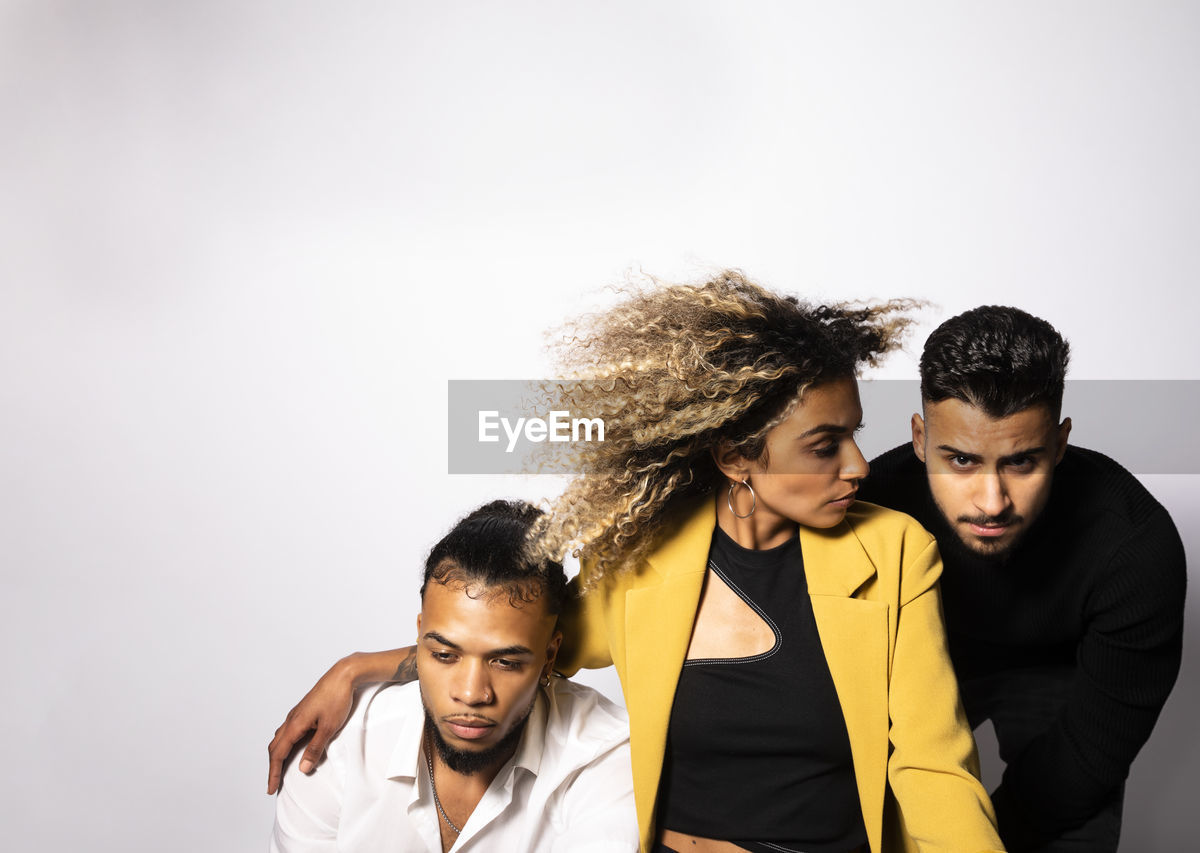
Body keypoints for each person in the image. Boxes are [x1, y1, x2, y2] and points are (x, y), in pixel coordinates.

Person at [268, 271, 1005, 853]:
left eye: (854, 435)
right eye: (824, 445)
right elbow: (527, 648)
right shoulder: (647, 552)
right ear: (737, 455)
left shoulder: (895, 551)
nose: (857, 465)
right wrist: (360, 668)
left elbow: (933, 766)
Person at [857, 306, 1186, 853]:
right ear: (920, 439)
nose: (992, 502)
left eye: (1022, 463)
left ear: (1059, 444)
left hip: (1058, 668)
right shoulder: (871, 509)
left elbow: (1097, 744)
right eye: (960, 460)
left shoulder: (1133, 542)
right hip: (916, 654)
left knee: (1069, 819)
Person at [270, 500, 638, 853]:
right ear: (420, 637)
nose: (471, 693)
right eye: (445, 655)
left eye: (506, 662)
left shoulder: (600, 758)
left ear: (550, 656)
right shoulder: (341, 743)